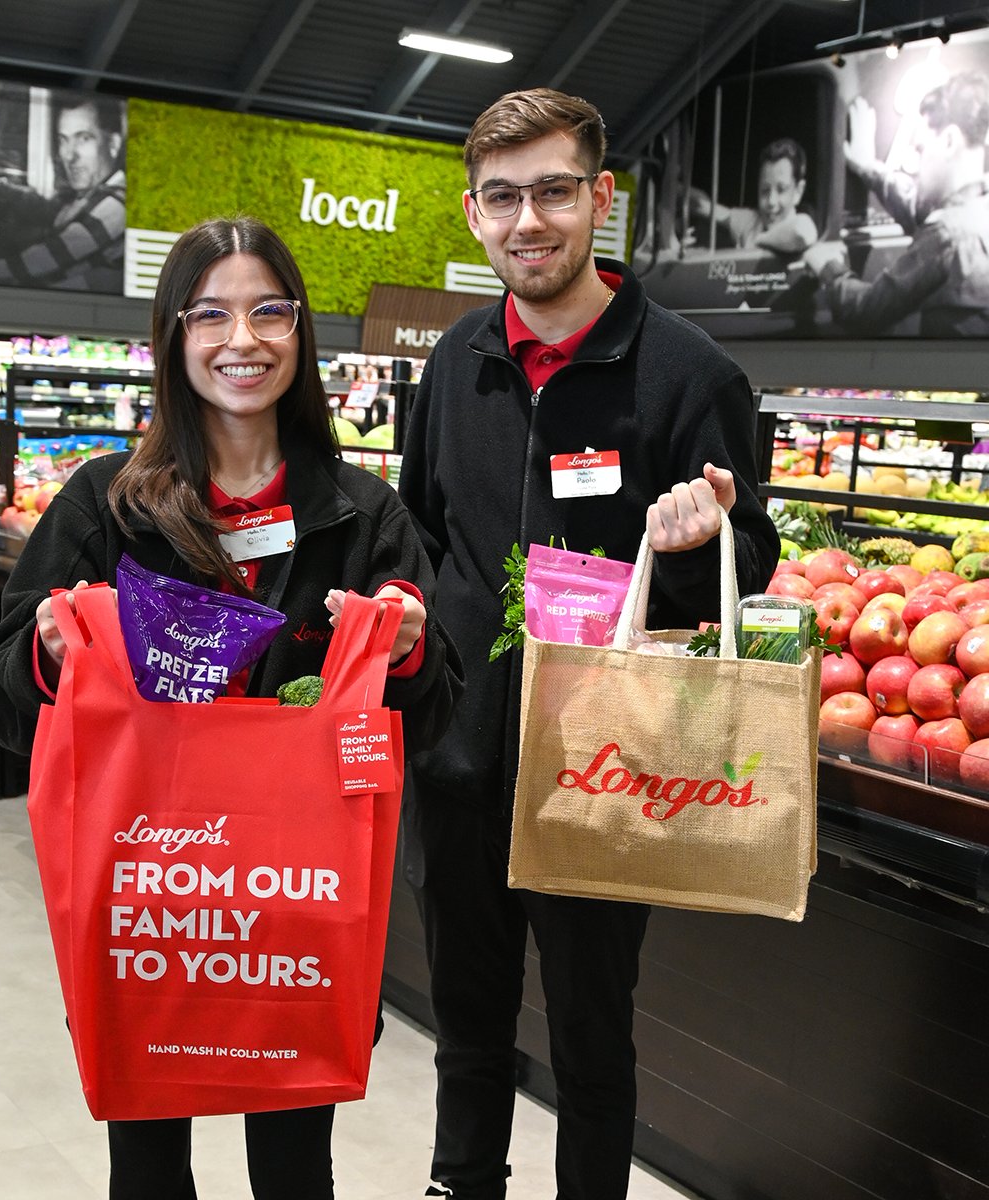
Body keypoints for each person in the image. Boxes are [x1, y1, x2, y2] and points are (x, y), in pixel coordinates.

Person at [0, 215, 462, 1199]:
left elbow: (436, 711)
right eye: (212, 315)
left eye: (269, 311)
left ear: (299, 334)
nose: (244, 339)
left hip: (297, 914)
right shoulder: (105, 506)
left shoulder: (363, 515)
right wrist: (51, 652)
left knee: (294, 1169)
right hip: (152, 907)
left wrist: (404, 656)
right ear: (174, 336)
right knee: (147, 1167)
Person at [397, 88, 779, 1200]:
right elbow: (420, 530)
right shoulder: (456, 363)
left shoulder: (690, 375)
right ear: (473, 214)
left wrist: (710, 536)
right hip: (461, 764)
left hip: (608, 771)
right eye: (504, 198)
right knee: (466, 1028)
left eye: (556, 192)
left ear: (601, 199)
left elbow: (746, 560)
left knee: (591, 1047)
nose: (531, 221)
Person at [802, 73, 989, 335]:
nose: (917, 164)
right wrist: (869, 167)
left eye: (921, 149)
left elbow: (864, 311)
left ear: (948, 141)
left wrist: (828, 267)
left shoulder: (947, 234)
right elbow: (917, 208)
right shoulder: (977, 213)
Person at [0, 95, 127, 290]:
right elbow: (44, 209)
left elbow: (42, 259)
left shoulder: (117, 204)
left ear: (113, 144)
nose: (69, 155)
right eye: (63, 140)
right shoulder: (86, 195)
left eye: (84, 138)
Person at [689, 136, 818, 255]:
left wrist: (758, 241)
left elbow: (801, 232)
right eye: (765, 190)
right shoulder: (751, 221)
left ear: (798, 191)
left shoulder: (801, 223)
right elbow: (701, 206)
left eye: (781, 189)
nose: (771, 201)